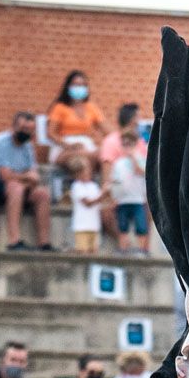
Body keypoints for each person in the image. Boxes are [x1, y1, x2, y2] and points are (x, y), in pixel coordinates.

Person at [0, 112, 54, 251]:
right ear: (13, 127)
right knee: (15, 187)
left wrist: (25, 178)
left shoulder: (28, 147)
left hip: (12, 186)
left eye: (30, 130)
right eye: (23, 128)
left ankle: (44, 244)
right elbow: (5, 176)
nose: (27, 132)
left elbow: (34, 177)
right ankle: (14, 241)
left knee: (42, 193)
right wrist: (26, 177)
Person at [105, 117, 151, 254]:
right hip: (123, 200)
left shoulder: (141, 160)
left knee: (141, 226)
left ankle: (142, 249)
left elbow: (141, 172)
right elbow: (115, 180)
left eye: (130, 144)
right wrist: (113, 196)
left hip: (137, 199)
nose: (127, 147)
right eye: (124, 144)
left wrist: (134, 158)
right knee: (122, 226)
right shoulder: (118, 163)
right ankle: (123, 249)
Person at [47, 71, 106, 156]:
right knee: (80, 160)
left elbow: (105, 128)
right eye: (76, 85)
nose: (79, 88)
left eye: (83, 85)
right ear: (68, 87)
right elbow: (51, 133)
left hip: (86, 145)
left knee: (103, 154)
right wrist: (68, 146)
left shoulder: (91, 107)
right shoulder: (59, 107)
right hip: (64, 147)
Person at [63, 149, 107, 254]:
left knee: (94, 251)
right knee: (82, 251)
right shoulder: (77, 186)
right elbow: (88, 203)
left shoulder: (93, 186)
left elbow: (99, 201)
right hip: (81, 226)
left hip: (94, 225)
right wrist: (104, 193)